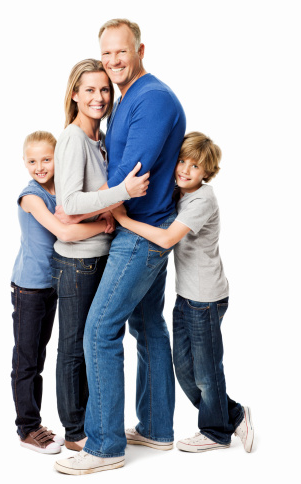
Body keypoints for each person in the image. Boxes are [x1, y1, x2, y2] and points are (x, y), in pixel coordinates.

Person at [54, 19, 186, 475]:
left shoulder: (151, 98)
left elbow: (132, 174)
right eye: (106, 53)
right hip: (139, 227)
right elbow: (118, 179)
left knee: (98, 330)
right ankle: (155, 427)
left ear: (140, 49)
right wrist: (113, 202)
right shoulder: (128, 98)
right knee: (147, 324)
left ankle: (106, 445)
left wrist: (115, 209)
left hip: (138, 233)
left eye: (120, 52)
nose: (113, 62)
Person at [110, 131, 254, 454]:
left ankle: (217, 431)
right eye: (182, 162)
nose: (186, 170)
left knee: (206, 370)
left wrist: (121, 218)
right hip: (186, 295)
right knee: (186, 370)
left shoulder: (203, 199)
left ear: (207, 172)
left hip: (206, 298)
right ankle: (234, 415)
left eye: (195, 166)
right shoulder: (179, 192)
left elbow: (166, 238)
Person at [51, 59, 149, 451]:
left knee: (98, 343)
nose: (99, 97)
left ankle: (96, 422)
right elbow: (71, 204)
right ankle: (76, 432)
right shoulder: (73, 138)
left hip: (99, 255)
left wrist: (105, 210)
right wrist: (122, 194)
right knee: (75, 347)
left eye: (105, 89)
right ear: (74, 93)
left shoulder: (100, 137)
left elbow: (83, 203)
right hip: (76, 263)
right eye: (90, 90)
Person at [11, 130, 115, 454]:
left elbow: (82, 207)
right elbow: (65, 231)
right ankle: (27, 428)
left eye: (46, 159)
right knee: (28, 360)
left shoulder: (63, 191)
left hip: (54, 284)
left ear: (57, 159)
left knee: (45, 354)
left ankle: (42, 423)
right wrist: (104, 225)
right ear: (24, 163)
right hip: (29, 288)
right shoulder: (31, 196)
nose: (39, 166)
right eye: (32, 161)